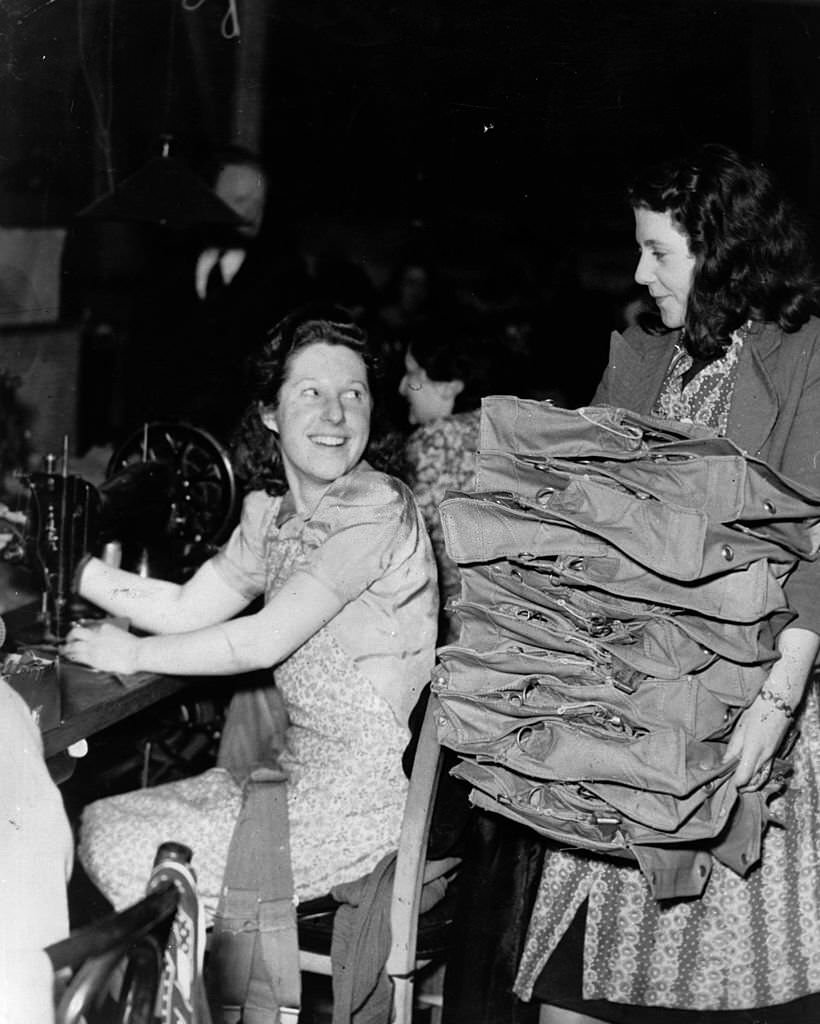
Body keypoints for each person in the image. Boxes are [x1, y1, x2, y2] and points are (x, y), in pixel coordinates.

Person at [516, 145, 820, 1023]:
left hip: (749, 717)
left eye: (660, 251)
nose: (640, 272)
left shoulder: (803, 356)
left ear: (722, 249)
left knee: (725, 988)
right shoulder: (648, 358)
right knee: (573, 989)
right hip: (630, 722)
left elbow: (815, 545)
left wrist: (778, 702)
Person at [64, 306, 439, 916]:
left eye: (354, 394)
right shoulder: (275, 514)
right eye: (311, 392)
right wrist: (76, 570)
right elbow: (187, 607)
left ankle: (186, 995)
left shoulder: (376, 506)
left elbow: (261, 641)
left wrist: (130, 652)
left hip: (368, 808)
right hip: (299, 780)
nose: (336, 415)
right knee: (104, 819)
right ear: (270, 411)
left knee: (121, 840)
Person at [125, 146, 312, 442]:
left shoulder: (285, 277)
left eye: (259, 204)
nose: (251, 215)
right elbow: (141, 366)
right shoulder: (167, 267)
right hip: (165, 439)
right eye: (240, 201)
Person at [399, 319, 496, 644]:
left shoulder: (433, 443)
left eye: (413, 374)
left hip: (462, 636)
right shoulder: (510, 432)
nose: (403, 387)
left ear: (450, 384)